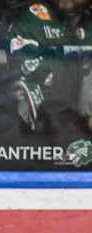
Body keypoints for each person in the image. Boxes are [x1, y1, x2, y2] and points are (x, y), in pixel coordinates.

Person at [6, 0, 92, 136]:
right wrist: (68, 59)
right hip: (46, 118)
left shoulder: (88, 21)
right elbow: (24, 67)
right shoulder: (33, 15)